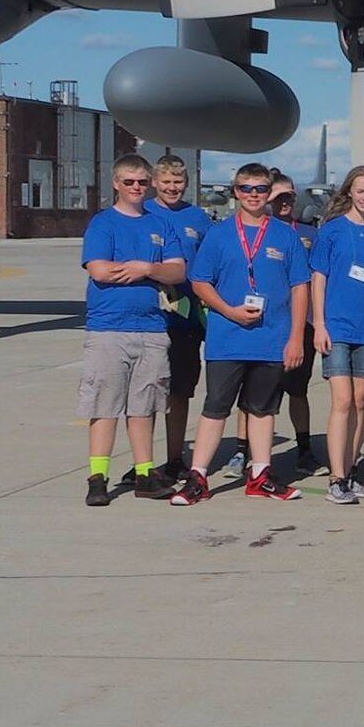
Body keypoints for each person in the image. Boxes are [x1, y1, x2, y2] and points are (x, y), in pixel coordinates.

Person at [172, 161, 312, 505]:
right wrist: (228, 310)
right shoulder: (219, 234)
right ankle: (198, 477)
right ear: (236, 192)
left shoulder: (285, 235)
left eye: (261, 189)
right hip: (227, 338)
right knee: (216, 407)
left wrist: (296, 337)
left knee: (263, 409)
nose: (253, 195)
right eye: (246, 189)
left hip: (271, 338)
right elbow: (200, 281)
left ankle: (260, 474)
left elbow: (300, 287)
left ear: (269, 192)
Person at [78, 154, 187, 505]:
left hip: (153, 328)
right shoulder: (103, 223)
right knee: (104, 403)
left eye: (142, 182)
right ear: (116, 184)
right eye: (129, 182)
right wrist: (141, 269)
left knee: (145, 405)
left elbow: (177, 272)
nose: (137, 188)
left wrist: (146, 268)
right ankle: (98, 477)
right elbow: (99, 270)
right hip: (109, 327)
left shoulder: (161, 224)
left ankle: (145, 473)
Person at [310, 165, 364, 504]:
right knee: (342, 401)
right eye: (360, 190)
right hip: (338, 327)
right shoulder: (331, 231)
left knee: (361, 402)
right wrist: (319, 324)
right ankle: (337, 476)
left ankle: (351, 467)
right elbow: (319, 277)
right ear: (349, 192)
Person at [143, 154, 210, 483]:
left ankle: (173, 458)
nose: (172, 188)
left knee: (180, 392)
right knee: (147, 392)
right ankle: (144, 461)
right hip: (150, 318)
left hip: (187, 318)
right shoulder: (144, 213)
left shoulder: (197, 218)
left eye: (178, 182)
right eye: (166, 182)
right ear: (155, 182)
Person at [266, 174, 322, 477]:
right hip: (267, 323)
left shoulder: (310, 234)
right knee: (259, 393)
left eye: (289, 196)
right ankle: (243, 449)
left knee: (298, 391)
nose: (285, 202)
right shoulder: (261, 232)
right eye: (278, 197)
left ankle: (304, 448)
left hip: (303, 323)